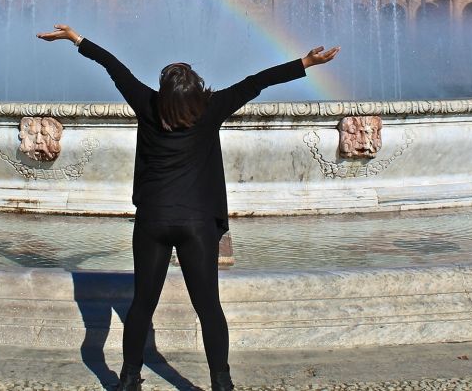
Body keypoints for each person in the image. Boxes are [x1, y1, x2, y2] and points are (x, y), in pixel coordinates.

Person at [38, 24, 339, 391]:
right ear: (196, 89)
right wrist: (306, 61)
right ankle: (221, 384)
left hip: (152, 221)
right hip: (198, 224)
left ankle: (129, 380)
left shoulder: (148, 105)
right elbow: (256, 82)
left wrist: (76, 39)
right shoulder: (211, 110)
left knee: (141, 306)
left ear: (165, 92)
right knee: (209, 308)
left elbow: (115, 68)